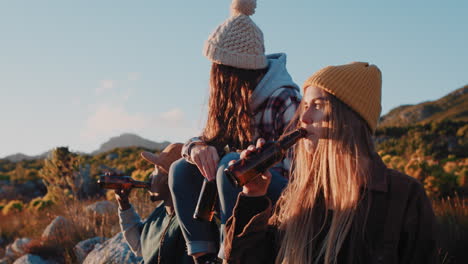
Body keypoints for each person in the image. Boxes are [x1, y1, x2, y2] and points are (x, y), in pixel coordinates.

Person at [223, 62, 438, 264]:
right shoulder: (297, 196)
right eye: (305, 105)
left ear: (349, 119)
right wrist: (253, 195)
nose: (304, 118)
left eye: (317, 105)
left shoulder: (404, 196)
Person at [168, 0, 301, 263]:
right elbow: (204, 137)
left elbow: (299, 173)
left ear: (232, 71)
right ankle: (204, 258)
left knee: (232, 166)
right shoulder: (233, 103)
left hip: (283, 197)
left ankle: (230, 254)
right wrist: (197, 148)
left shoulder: (283, 99)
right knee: (181, 169)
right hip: (240, 190)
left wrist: (254, 167)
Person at [115, 143, 194, 264]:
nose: (150, 176)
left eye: (156, 169)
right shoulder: (161, 211)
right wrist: (124, 204)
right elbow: (140, 246)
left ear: (169, 179)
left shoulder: (187, 223)